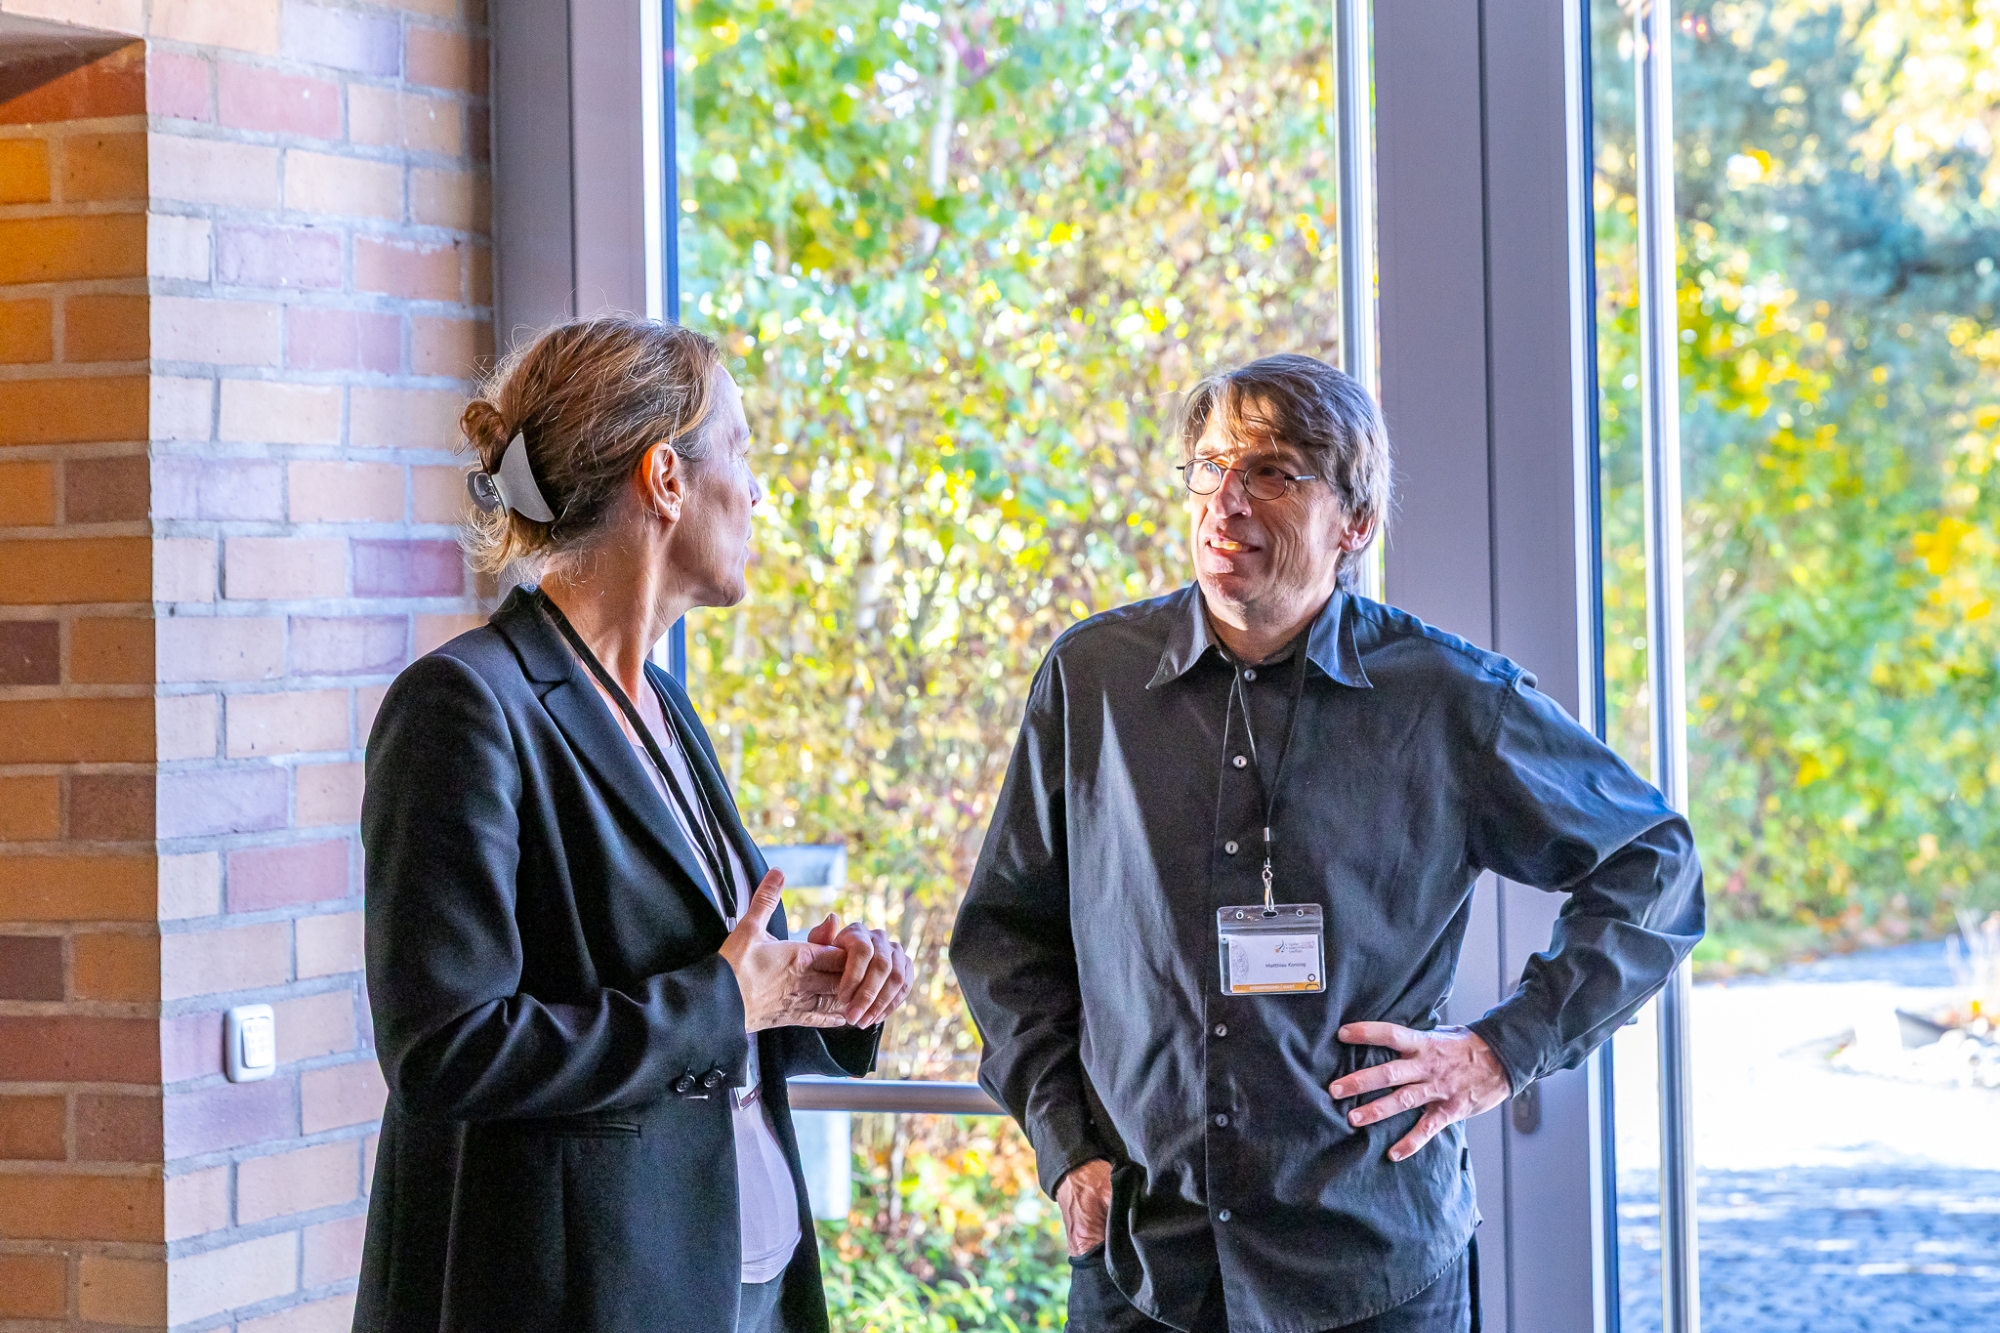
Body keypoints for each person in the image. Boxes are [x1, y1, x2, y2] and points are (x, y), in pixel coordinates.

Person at [951, 354, 1704, 1332]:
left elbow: (1655, 866)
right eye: (1209, 467)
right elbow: (1005, 938)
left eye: (1270, 472)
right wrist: (1067, 1152)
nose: (1225, 502)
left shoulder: (1446, 697)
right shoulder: (1091, 679)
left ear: (1354, 523)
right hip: (1144, 1262)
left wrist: (1499, 1051)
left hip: (1373, 1266)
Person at [355, 316, 913, 1333]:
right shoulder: (463, 707)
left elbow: (708, 999)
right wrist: (726, 998)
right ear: (664, 478)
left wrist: (818, 990)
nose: (756, 493)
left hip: (737, 1289)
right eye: (740, 451)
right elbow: (447, 1051)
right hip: (577, 1300)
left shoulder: (665, 705)